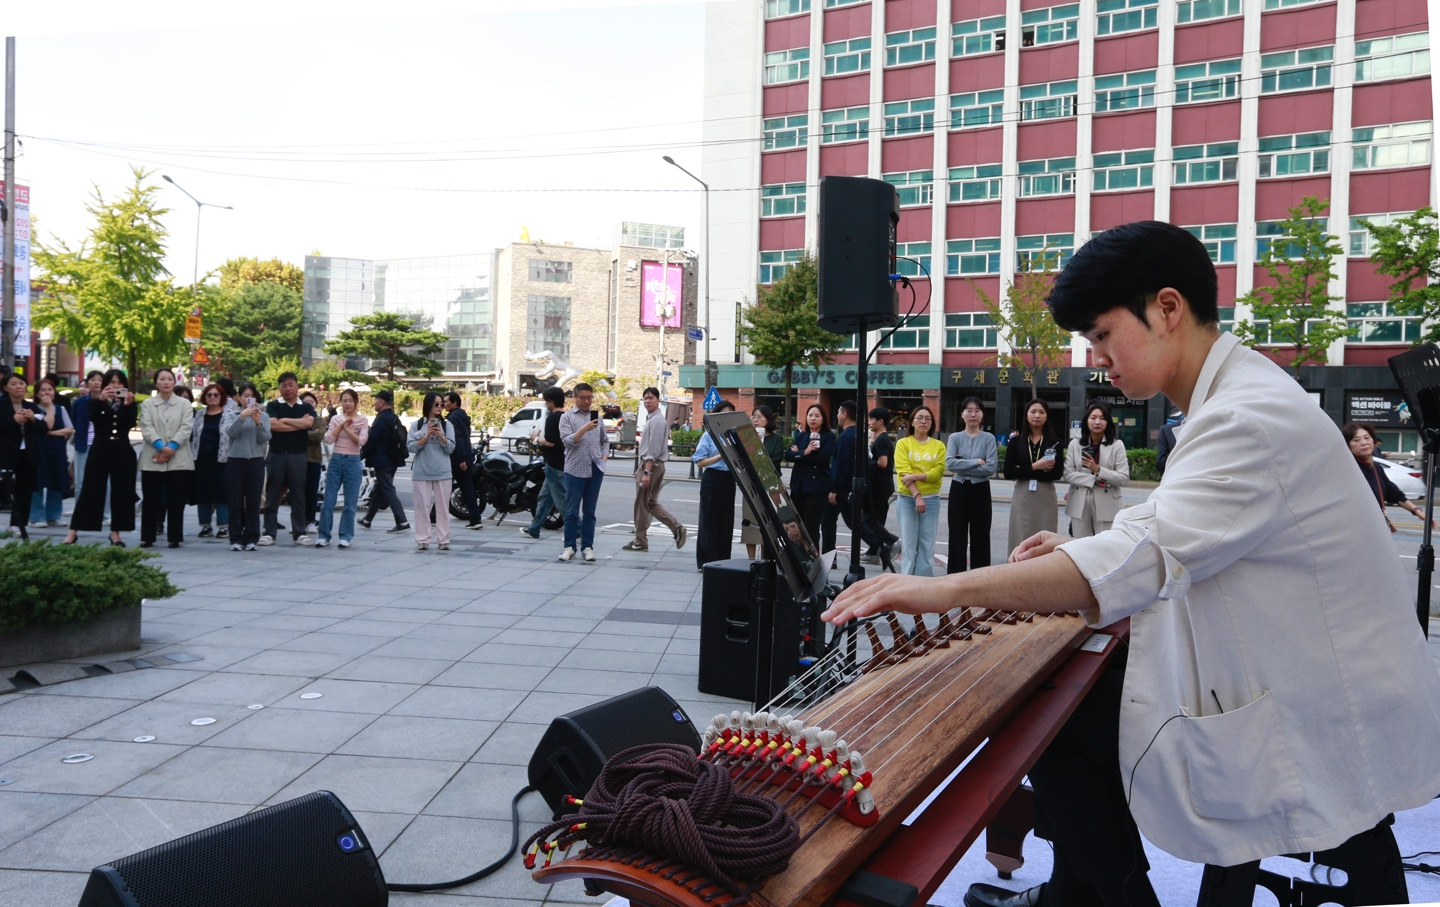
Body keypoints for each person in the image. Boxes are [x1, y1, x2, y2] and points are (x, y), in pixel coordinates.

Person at [823, 220, 1440, 907]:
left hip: (1313, 707)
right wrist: (1079, 547)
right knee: (1065, 703)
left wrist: (940, 590)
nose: (1098, 359)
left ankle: (1101, 892)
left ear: (1167, 308)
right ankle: (1082, 887)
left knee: (1056, 712)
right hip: (1295, 671)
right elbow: (1163, 524)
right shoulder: (1233, 395)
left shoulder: (1245, 417)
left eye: (1103, 334)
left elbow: (1139, 557)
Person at [64, 370, 138, 546]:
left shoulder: (129, 402)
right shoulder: (95, 401)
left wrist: (127, 405)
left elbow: (129, 423)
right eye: (112, 382)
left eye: (119, 383)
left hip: (122, 451)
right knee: (90, 489)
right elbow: (94, 418)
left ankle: (115, 533)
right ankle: (73, 531)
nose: (115, 386)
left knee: (121, 492)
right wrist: (102, 400)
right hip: (100, 450)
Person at [623, 386, 686, 552]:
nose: (648, 401)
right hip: (650, 465)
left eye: (651, 398)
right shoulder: (653, 419)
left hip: (652, 466)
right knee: (649, 503)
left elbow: (653, 449)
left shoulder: (657, 421)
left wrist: (646, 472)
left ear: (658, 400)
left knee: (642, 505)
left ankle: (641, 540)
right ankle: (675, 528)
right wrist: (641, 469)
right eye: (645, 398)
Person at [138, 367, 195, 548]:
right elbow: (146, 427)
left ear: (174, 382)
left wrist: (171, 447)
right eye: (162, 379)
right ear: (156, 383)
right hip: (152, 457)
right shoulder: (147, 404)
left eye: (169, 379)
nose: (166, 382)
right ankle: (147, 536)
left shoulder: (184, 404)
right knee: (151, 499)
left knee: (176, 500)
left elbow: (186, 427)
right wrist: (161, 447)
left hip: (179, 458)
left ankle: (175, 537)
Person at [1343, 422, 1433, 532]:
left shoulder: (1376, 468)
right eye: (1356, 440)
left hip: (1374, 528)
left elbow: (1394, 494)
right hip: (1352, 529)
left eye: (1367, 438)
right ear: (1348, 445)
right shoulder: (1347, 469)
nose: (1364, 443)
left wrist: (1418, 512)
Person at [260, 372, 317, 546]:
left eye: (291, 384)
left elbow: (308, 424)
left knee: (298, 494)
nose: (288, 388)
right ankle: (269, 532)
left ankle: (299, 533)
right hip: (277, 454)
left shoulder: (306, 407)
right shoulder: (273, 405)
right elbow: (272, 425)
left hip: (298, 455)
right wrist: (297, 424)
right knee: (272, 494)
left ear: (297, 385)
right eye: (284, 385)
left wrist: (285, 420)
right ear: (279, 388)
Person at [945, 396, 998, 573]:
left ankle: (980, 579)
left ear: (982, 415)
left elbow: (991, 468)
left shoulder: (988, 438)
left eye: (977, 410)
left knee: (980, 536)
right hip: (958, 489)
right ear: (962, 414)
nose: (973, 414)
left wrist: (964, 466)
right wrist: (976, 461)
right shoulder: (955, 438)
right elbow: (950, 464)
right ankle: (955, 578)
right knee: (957, 536)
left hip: (980, 490)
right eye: (969, 410)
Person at [1003, 399, 1063, 555]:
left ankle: (1043, 574)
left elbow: (1057, 473)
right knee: (1020, 535)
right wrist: (1038, 466)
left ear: (1047, 416)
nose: (1037, 415)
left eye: (1041, 412)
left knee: (1045, 536)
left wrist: (1022, 469)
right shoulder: (1016, 442)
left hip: (1045, 495)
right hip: (1022, 494)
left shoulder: (1054, 442)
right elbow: (1008, 472)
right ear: (1026, 415)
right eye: (1033, 411)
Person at [1063, 400, 1130, 538]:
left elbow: (1123, 478)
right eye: (1093, 418)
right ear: (1086, 421)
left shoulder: (1117, 445)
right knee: (1079, 546)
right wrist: (1094, 479)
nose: (1097, 422)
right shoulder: (1075, 444)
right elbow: (1068, 474)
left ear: (1108, 422)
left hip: (1108, 502)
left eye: (1102, 418)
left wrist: (1098, 469)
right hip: (1079, 502)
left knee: (1106, 546)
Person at [559, 382, 609, 562]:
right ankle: (569, 547)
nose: (587, 401)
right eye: (583, 398)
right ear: (575, 398)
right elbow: (567, 441)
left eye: (589, 398)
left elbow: (605, 440)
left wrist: (604, 456)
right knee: (572, 512)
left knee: (590, 511)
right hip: (574, 469)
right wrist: (584, 429)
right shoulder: (567, 418)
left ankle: (587, 547)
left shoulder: (598, 418)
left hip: (595, 468)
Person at [893, 405, 945, 576]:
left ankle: (924, 587)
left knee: (927, 546)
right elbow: (903, 472)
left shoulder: (938, 446)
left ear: (932, 423)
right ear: (912, 422)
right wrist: (917, 495)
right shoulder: (903, 444)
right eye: (920, 418)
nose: (923, 421)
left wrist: (914, 477)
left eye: (927, 419)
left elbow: (937, 473)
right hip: (908, 499)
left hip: (932, 499)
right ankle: (906, 585)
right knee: (909, 546)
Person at [315, 388, 369, 549]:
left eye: (350, 400)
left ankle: (346, 535)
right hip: (336, 459)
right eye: (344, 400)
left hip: (353, 460)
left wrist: (347, 428)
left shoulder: (363, 420)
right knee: (328, 501)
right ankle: (324, 535)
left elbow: (361, 441)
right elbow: (329, 439)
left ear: (356, 402)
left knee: (350, 503)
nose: (347, 403)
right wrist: (341, 425)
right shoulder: (335, 419)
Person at [224, 382, 271, 551]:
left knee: (253, 501)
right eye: (245, 396)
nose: (249, 399)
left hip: (256, 461)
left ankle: (251, 537)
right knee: (235, 501)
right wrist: (242, 417)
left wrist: (257, 422)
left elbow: (265, 437)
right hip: (235, 461)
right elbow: (230, 433)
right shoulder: (231, 414)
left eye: (252, 396)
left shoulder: (263, 416)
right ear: (239, 398)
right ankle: (235, 538)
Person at [692, 398, 737, 569]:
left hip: (729, 479)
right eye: (724, 414)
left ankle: (723, 559)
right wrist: (720, 456)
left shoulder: (734, 435)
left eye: (730, 415)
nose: (727, 418)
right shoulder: (709, 435)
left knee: (726, 521)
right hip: (712, 478)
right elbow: (699, 461)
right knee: (709, 519)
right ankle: (706, 561)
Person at [1, 372, 48, 539]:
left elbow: (44, 429)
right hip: (5, 453)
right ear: (5, 387)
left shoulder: (31, 407)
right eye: (13, 384)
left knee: (24, 490)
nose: (18, 387)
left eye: (21, 383)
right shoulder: (2, 405)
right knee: (5, 490)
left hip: (27, 453)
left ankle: (17, 525)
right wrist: (13, 421)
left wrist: (33, 420)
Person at [408, 392, 456, 551]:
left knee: (443, 508)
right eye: (436, 404)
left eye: (442, 404)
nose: (439, 407)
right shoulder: (417, 424)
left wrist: (441, 436)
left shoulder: (447, 425)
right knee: (422, 507)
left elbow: (450, 449)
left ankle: (443, 540)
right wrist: (427, 435)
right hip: (422, 471)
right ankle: (423, 539)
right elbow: (411, 447)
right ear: (428, 405)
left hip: (443, 471)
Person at [519, 385, 568, 540]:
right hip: (562, 462)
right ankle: (534, 528)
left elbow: (551, 442)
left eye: (546, 401)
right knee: (544, 498)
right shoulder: (566, 417)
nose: (546, 404)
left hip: (554, 464)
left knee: (561, 501)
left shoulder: (552, 418)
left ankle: (577, 527)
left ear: (551, 401)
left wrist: (535, 438)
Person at [359, 389, 411, 534]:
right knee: (380, 489)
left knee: (387, 489)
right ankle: (367, 519)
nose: (374, 403)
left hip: (382, 461)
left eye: (376, 400)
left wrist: (361, 454)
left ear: (381, 402)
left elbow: (372, 440)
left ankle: (402, 521)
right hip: (393, 459)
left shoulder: (381, 419)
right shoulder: (394, 417)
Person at [786, 403, 835, 549]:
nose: (813, 418)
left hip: (817, 488)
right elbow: (788, 455)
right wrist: (805, 452)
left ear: (823, 419)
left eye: (817, 416)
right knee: (795, 526)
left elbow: (822, 458)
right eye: (810, 415)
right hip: (798, 486)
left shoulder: (829, 437)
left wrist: (799, 454)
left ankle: (813, 559)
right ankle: (798, 558)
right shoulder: (801, 436)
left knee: (811, 526)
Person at [29, 379, 75, 528]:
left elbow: (69, 429)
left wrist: (51, 433)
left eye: (50, 389)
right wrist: (49, 407)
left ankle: (53, 516)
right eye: (43, 390)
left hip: (56, 451)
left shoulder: (61, 409)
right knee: (37, 484)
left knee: (57, 482)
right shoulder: (32, 409)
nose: (47, 393)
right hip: (37, 451)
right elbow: (46, 424)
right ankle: (36, 517)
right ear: (36, 393)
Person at [190, 383, 233, 539]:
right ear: (204, 397)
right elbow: (192, 435)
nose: (213, 398)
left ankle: (223, 526)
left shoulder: (229, 414)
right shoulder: (199, 415)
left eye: (216, 395)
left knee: (222, 493)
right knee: (203, 494)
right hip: (201, 459)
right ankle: (205, 526)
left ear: (221, 397)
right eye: (209, 395)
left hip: (222, 459)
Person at [742, 405, 785, 558]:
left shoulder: (777, 439)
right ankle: (751, 559)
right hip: (751, 485)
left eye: (759, 417)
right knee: (750, 523)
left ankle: (767, 559)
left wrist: (761, 448)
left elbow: (776, 460)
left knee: (770, 524)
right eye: (753, 416)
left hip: (770, 485)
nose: (755, 419)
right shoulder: (747, 438)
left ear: (768, 419)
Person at [862, 407, 900, 566]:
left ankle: (892, 541)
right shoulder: (880, 438)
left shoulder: (882, 439)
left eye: (871, 419)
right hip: (881, 485)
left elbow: (882, 463)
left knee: (868, 520)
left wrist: (866, 463)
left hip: (879, 486)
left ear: (880, 421)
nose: (869, 422)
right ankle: (874, 552)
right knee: (875, 518)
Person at [444, 391, 484, 530]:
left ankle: (433, 516)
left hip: (457, 460)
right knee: (467, 489)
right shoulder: (462, 415)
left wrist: (461, 460)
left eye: (447, 401)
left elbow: (458, 439)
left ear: (455, 402)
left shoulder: (453, 418)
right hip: (465, 457)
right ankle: (475, 518)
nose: (444, 404)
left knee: (445, 487)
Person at [70, 370, 104, 507]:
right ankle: (80, 510)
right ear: (87, 383)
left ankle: (106, 514)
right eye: (93, 379)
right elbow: (73, 422)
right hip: (83, 444)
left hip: (102, 445)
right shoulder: (79, 402)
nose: (96, 382)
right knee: (80, 480)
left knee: (103, 480)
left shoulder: (109, 401)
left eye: (100, 379)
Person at [301, 390, 325, 536]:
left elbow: (319, 435)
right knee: (298, 492)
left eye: (311, 402)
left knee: (311, 492)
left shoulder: (320, 420)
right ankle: (298, 521)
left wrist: (300, 432)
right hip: (297, 459)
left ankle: (310, 521)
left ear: (315, 404)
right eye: (305, 402)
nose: (309, 404)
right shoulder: (296, 418)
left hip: (313, 459)